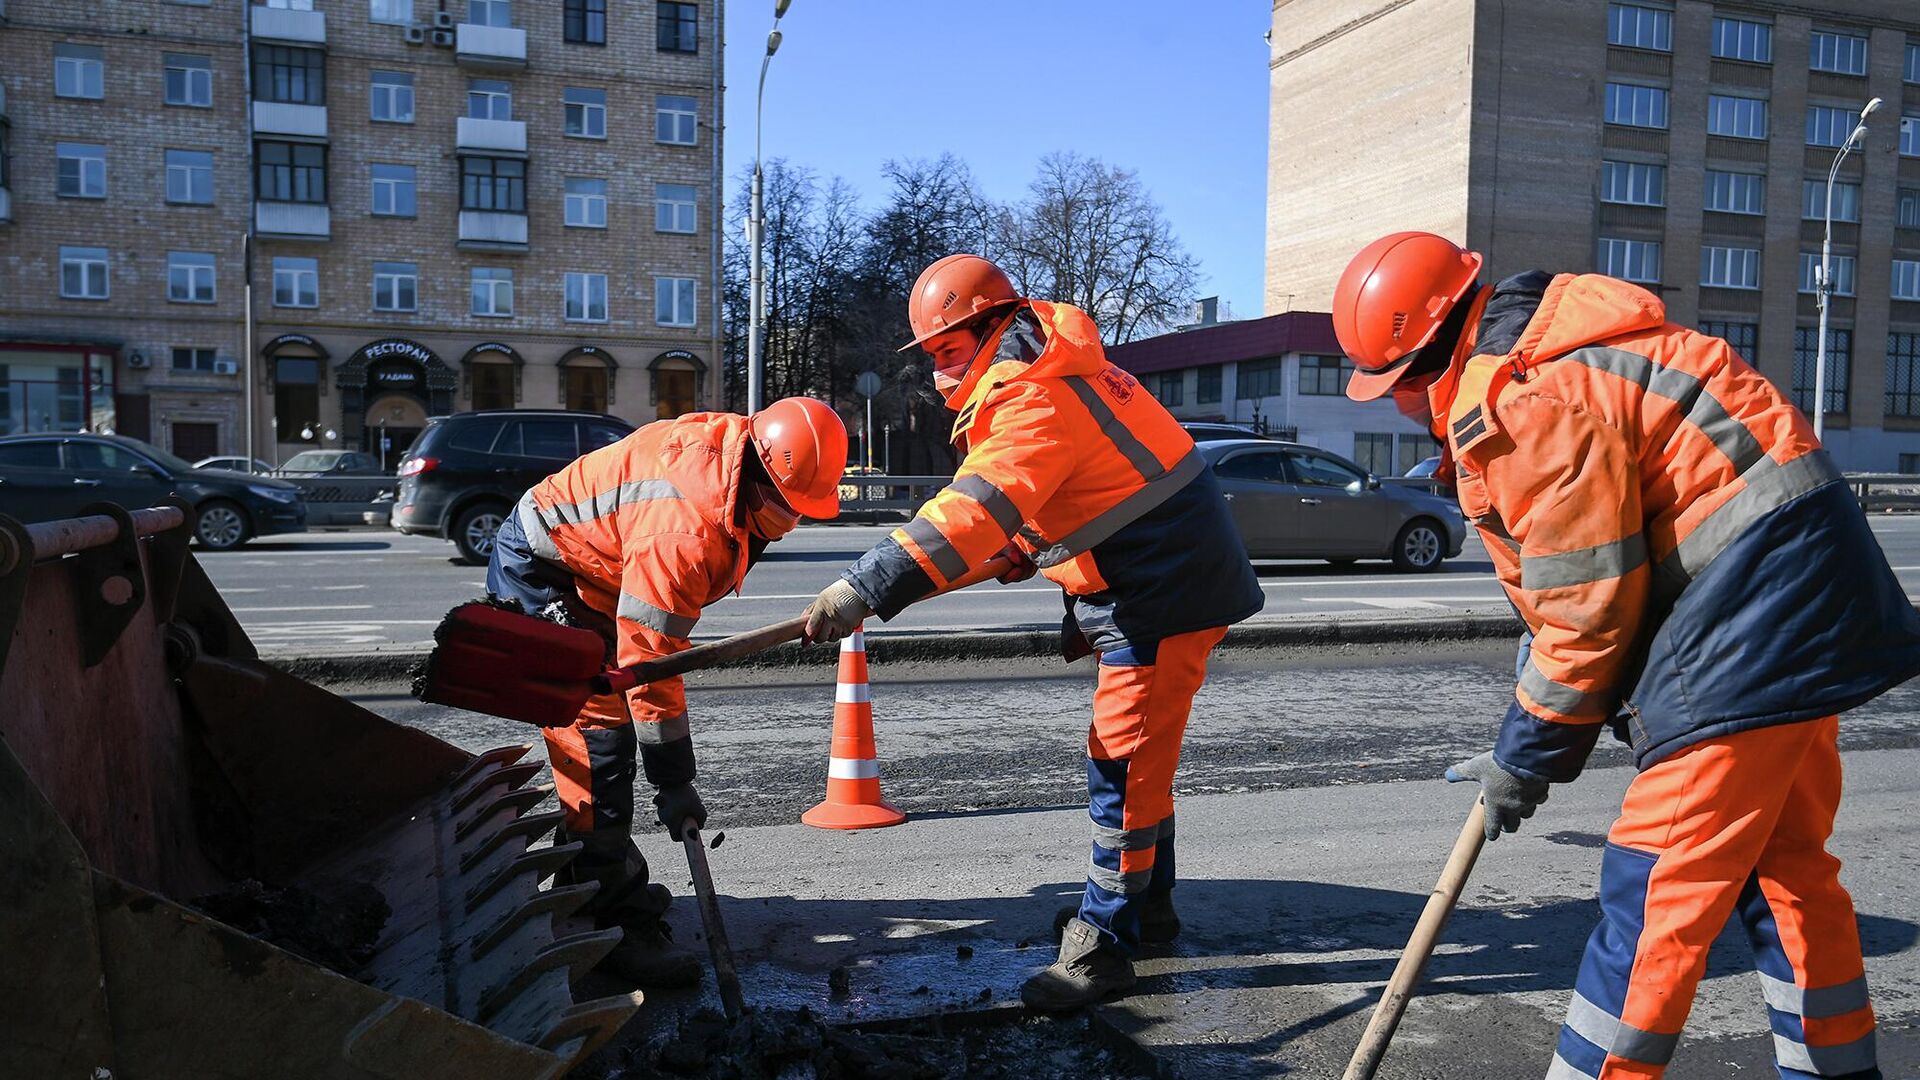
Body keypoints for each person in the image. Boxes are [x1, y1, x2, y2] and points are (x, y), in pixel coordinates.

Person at [1334, 231, 1920, 1080]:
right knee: (1785, 864)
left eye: (1398, 384)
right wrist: (1528, 727)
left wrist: (1524, 757)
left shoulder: (1528, 397)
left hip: (1746, 625)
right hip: (1798, 604)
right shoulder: (1563, 347)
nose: (1394, 405)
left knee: (1651, 894)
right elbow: (1585, 583)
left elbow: (1586, 611)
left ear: (1432, 351)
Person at [800, 254, 1264, 1010]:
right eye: (934, 357)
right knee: (1140, 762)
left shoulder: (1032, 398)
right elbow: (1074, 490)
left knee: (1121, 766)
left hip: (1163, 586)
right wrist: (1019, 547)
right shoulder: (1049, 369)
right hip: (1161, 575)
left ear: (993, 327)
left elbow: (972, 510)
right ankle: (1146, 911)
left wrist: (866, 584)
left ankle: (1106, 942)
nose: (941, 373)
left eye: (949, 351)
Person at [487, 398, 847, 987]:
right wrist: (674, 779)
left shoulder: (731, 465)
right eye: (788, 511)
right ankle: (599, 933)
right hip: (545, 570)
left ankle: (588, 885)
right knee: (596, 744)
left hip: (597, 574)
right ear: (757, 475)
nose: (792, 525)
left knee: (606, 739)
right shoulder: (683, 530)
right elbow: (649, 665)